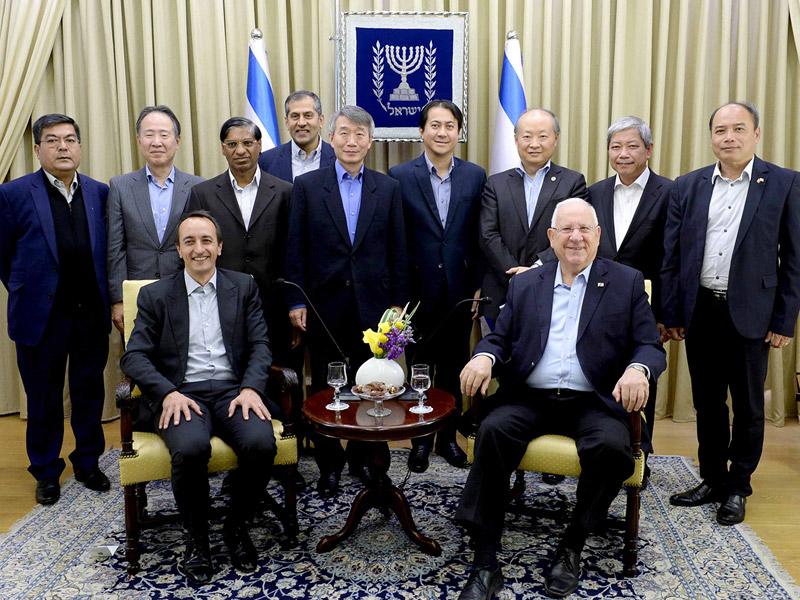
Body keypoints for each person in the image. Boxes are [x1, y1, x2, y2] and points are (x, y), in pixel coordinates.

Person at [456, 198, 665, 599]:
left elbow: (650, 347)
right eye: (566, 230)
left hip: (594, 400)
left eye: (585, 229)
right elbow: (501, 337)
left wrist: (638, 370)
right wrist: (484, 355)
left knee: (611, 447)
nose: (576, 238)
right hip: (531, 395)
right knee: (493, 431)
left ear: (598, 235)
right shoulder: (526, 283)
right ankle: (485, 560)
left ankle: (572, 543)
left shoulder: (626, 281)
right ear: (551, 238)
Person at [120, 211, 278, 585]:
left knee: (260, 442)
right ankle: (198, 539)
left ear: (220, 247)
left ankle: (235, 527)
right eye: (189, 241)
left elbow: (260, 345)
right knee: (190, 449)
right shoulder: (155, 294)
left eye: (206, 240)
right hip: (183, 394)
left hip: (232, 391)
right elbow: (134, 355)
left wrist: (252, 387)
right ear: (178, 249)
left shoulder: (244, 287)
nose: (199, 249)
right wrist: (167, 392)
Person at [662, 102, 800, 525]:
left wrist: (783, 320)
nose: (729, 137)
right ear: (711, 137)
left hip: (752, 313)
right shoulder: (688, 186)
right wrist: (672, 311)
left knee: (748, 405)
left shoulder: (784, 184)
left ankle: (739, 486)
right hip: (700, 309)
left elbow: (794, 259)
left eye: (738, 129)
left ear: (756, 134)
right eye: (720, 130)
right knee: (707, 401)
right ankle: (712, 478)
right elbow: (673, 256)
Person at [285, 105, 407, 498]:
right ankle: (329, 465)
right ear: (331, 137)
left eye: (360, 134)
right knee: (326, 386)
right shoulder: (307, 187)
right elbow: (295, 251)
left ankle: (365, 459)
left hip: (376, 308)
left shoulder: (388, 188)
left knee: (373, 386)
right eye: (344, 134)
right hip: (323, 305)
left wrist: (399, 307)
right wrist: (295, 300)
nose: (351, 141)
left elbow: (398, 251)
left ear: (370, 141)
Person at [0, 114, 111, 505]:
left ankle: (87, 462)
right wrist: (27, 289)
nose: (62, 147)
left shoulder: (99, 193)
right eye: (52, 140)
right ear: (37, 149)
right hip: (40, 318)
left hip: (89, 315)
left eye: (69, 140)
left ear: (80, 147)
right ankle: (46, 471)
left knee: (88, 393)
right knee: (44, 398)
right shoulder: (12, 194)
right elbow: (4, 256)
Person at [388, 99, 486, 472]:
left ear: (459, 133)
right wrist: (397, 299)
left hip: (460, 291)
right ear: (422, 131)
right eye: (435, 125)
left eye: (449, 126)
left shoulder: (475, 176)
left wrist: (478, 286)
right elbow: (395, 241)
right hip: (417, 292)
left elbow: (479, 237)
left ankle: (446, 439)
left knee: (455, 366)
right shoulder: (400, 175)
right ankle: (420, 441)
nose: (442, 132)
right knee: (420, 368)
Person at [589, 116, 672, 435]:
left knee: (641, 379)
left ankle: (641, 452)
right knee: (599, 377)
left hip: (647, 308)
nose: (623, 153)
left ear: (649, 150)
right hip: (598, 303)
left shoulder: (670, 191)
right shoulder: (595, 192)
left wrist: (666, 313)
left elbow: (672, 258)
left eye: (632, 146)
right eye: (615, 146)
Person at [187, 117, 294, 364]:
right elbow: (195, 251)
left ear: (259, 145)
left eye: (247, 143)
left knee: (278, 380)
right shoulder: (202, 193)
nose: (241, 150)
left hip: (273, 306)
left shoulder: (285, 192)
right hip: (219, 305)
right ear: (223, 149)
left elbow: (293, 252)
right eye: (232, 144)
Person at [479, 108, 588, 327]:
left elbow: (575, 234)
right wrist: (515, 273)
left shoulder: (573, 182)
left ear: (556, 139)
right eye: (527, 136)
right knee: (497, 356)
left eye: (543, 136)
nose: (534, 143)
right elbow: (487, 234)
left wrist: (537, 267)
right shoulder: (496, 183)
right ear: (516, 139)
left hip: (555, 286)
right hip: (501, 288)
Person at [107, 105, 203, 333]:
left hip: (187, 291)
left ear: (177, 141)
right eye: (149, 135)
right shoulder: (120, 187)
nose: (156, 142)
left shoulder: (198, 187)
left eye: (164, 135)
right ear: (139, 140)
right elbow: (115, 248)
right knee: (141, 362)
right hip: (137, 296)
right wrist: (118, 300)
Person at [257, 90, 336, 182]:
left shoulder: (338, 158)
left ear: (321, 121)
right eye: (295, 116)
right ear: (287, 122)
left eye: (308, 116)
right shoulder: (266, 161)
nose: (301, 123)